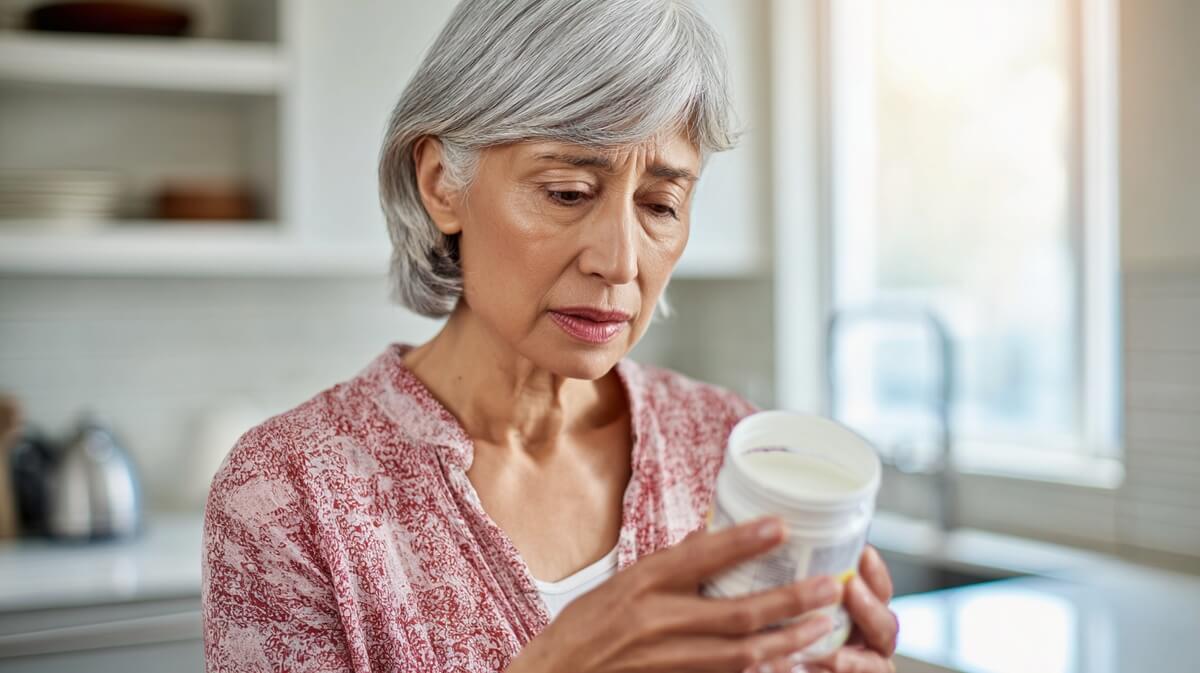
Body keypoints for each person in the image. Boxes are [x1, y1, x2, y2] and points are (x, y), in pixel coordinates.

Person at [201, 1, 899, 671]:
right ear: (442, 183)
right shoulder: (288, 494)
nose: (619, 262)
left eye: (660, 205)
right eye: (568, 192)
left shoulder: (726, 450)